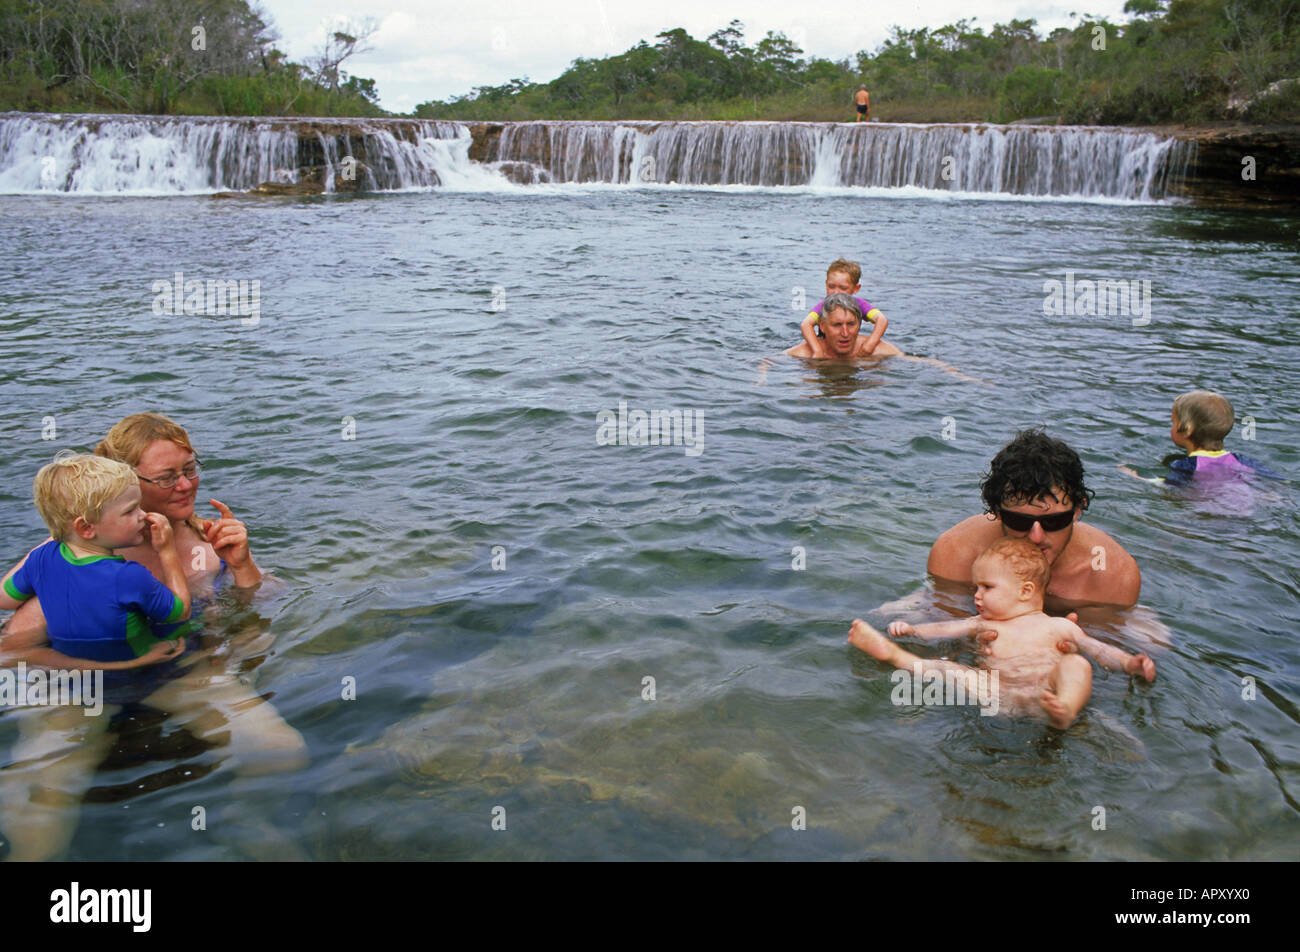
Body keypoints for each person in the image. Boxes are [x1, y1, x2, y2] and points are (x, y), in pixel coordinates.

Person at [0, 412, 305, 862]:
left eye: (190, 469)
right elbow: (11, 651)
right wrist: (113, 668)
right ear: (128, 483)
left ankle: (246, 820)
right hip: (75, 687)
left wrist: (242, 564)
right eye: (167, 478)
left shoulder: (205, 542)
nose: (185, 486)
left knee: (281, 750)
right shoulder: (76, 563)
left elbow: (261, 602)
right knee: (44, 787)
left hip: (175, 672)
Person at [850, 537, 1155, 728]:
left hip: (1046, 697)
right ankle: (894, 655)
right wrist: (913, 629)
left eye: (987, 587)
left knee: (1077, 664)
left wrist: (1129, 663)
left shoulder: (1060, 626)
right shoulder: (982, 624)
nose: (977, 596)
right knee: (949, 669)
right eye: (976, 588)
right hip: (999, 695)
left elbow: (1099, 650)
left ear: (1025, 591)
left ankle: (1067, 709)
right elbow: (944, 628)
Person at [0, 453, 190, 671]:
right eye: (130, 511)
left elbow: (4, 600)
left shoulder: (39, 559)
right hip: (141, 674)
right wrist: (167, 551)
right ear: (86, 528)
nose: (143, 515)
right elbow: (181, 612)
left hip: (77, 679)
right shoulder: (128, 577)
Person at [928, 429, 1141, 607]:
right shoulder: (957, 553)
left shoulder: (1112, 575)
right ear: (997, 512)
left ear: (1078, 511)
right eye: (1020, 521)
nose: (1036, 537)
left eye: (1054, 522)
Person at [1118, 390, 1283, 486]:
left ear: (1186, 429)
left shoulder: (1185, 465)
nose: (1171, 426)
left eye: (1173, 422)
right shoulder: (1240, 460)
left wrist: (1134, 474)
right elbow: (1278, 481)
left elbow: (1169, 486)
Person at [798, 259, 890, 358]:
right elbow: (806, 324)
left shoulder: (860, 304)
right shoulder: (824, 306)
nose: (836, 292)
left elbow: (881, 320)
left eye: (843, 288)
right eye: (831, 286)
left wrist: (869, 345)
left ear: (856, 288)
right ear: (826, 284)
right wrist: (817, 350)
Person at [787, 293, 902, 359]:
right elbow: (770, 361)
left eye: (851, 324)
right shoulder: (802, 355)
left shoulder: (881, 351)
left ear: (860, 324)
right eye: (837, 325)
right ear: (822, 326)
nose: (845, 333)